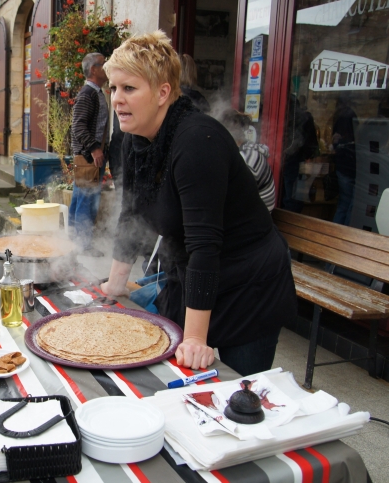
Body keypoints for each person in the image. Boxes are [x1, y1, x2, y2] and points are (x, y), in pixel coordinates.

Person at [100, 31, 296, 376]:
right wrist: (114, 286)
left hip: (248, 286)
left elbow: (204, 247)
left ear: (163, 92)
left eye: (129, 88)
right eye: (113, 88)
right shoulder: (133, 138)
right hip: (190, 277)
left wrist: (193, 338)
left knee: (237, 394)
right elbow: (131, 214)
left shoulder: (197, 141)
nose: (116, 99)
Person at [69, 52, 109, 257]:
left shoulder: (95, 92)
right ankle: (83, 246)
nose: (107, 66)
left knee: (80, 199)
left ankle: (74, 243)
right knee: (87, 201)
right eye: (104, 63)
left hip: (87, 156)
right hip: (88, 157)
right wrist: (94, 149)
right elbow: (78, 126)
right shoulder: (88, 94)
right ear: (94, 69)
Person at [222, 109, 276, 211]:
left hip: (255, 222)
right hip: (250, 216)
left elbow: (233, 193)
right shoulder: (241, 152)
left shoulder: (248, 157)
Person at [331, 94, 357, 226]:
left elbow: (335, 142)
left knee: (343, 203)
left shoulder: (337, 116)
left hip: (341, 165)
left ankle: (337, 231)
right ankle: (345, 234)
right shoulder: (349, 115)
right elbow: (353, 138)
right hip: (350, 166)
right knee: (352, 204)